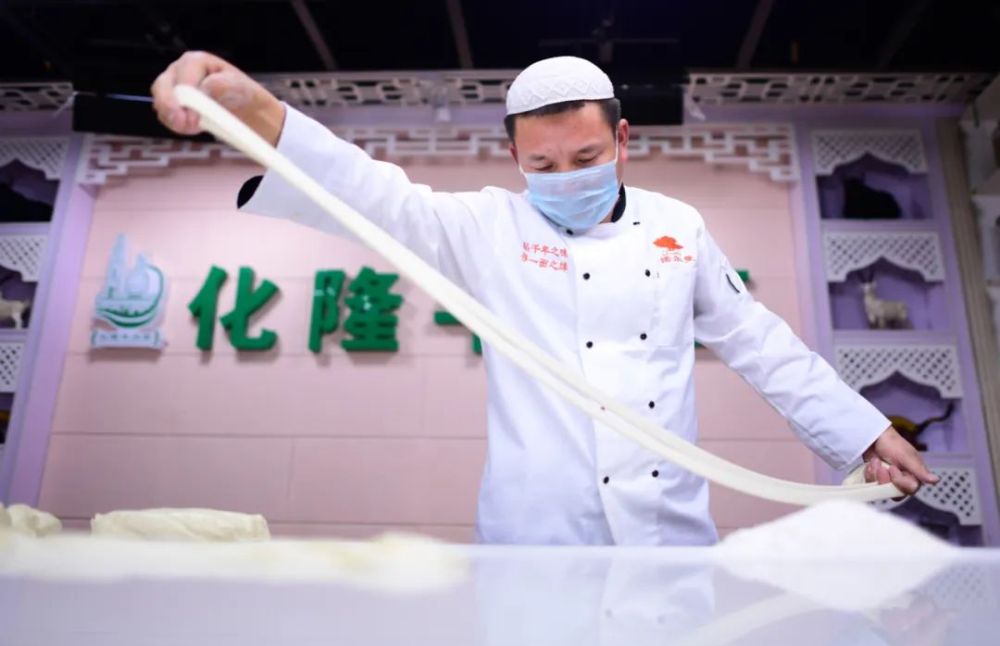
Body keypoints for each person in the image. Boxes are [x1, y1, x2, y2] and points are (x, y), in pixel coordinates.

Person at [151, 53, 938, 545]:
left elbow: (757, 340)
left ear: (622, 141)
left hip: (667, 540)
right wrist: (256, 110)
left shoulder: (678, 227)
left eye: (586, 157)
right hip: (533, 542)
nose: (566, 178)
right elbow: (372, 193)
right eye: (543, 165)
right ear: (514, 156)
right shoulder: (487, 227)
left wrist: (862, 431)